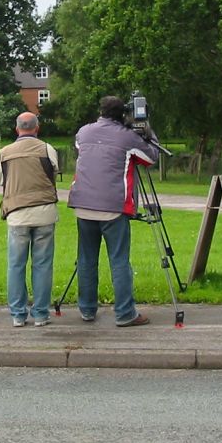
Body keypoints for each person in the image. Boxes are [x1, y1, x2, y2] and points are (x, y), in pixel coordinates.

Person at [66, 96, 155, 327]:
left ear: (101, 111)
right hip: (113, 207)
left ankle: (86, 310)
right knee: (119, 261)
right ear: (123, 112)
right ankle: (125, 313)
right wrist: (148, 130)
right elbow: (151, 157)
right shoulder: (127, 137)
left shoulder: (83, 132)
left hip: (83, 204)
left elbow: (80, 149)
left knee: (86, 260)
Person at [0, 112, 60, 327]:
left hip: (17, 214)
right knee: (42, 264)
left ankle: (18, 315)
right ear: (37, 128)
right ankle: (40, 314)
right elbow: (54, 173)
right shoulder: (47, 149)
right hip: (44, 212)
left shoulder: (4, 153)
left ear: (17, 128)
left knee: (16, 265)